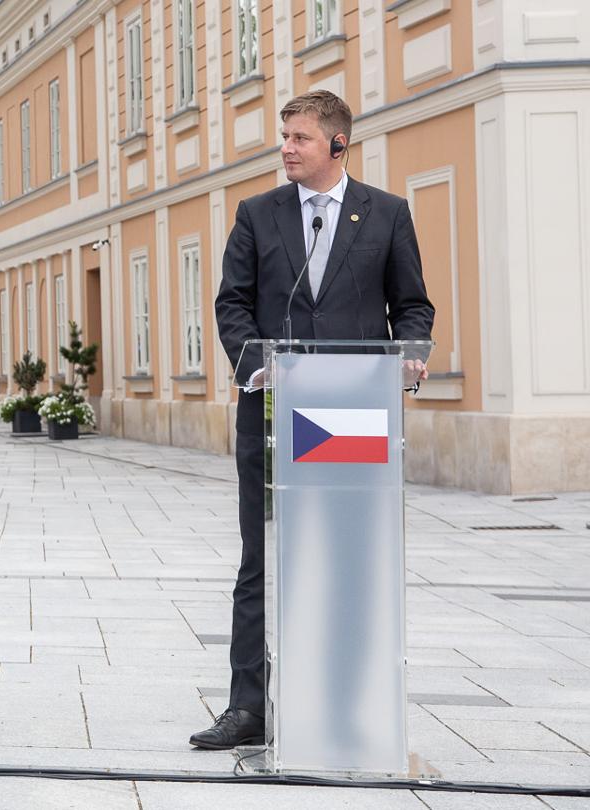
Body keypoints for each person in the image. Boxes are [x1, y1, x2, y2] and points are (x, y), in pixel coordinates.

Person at [199, 90, 434, 749]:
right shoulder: (256, 215)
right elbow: (233, 305)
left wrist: (411, 356)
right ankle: (249, 707)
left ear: (337, 145)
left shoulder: (386, 216)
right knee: (261, 560)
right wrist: (259, 364)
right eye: (284, 136)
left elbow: (412, 307)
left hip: (354, 415)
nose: (287, 147)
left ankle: (349, 694)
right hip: (274, 413)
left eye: (300, 137)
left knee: (351, 560)